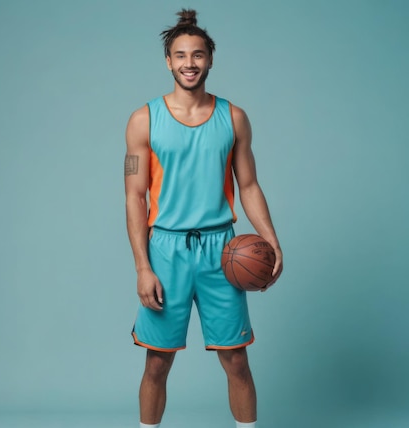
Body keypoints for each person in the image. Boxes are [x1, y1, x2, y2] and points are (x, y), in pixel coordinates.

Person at [124, 9, 283, 428]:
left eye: (197, 55)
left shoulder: (234, 118)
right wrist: (142, 267)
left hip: (221, 251)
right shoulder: (143, 120)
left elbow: (248, 186)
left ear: (210, 59)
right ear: (167, 62)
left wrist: (272, 240)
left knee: (236, 360)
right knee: (156, 364)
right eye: (180, 55)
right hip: (166, 250)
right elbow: (133, 196)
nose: (189, 63)